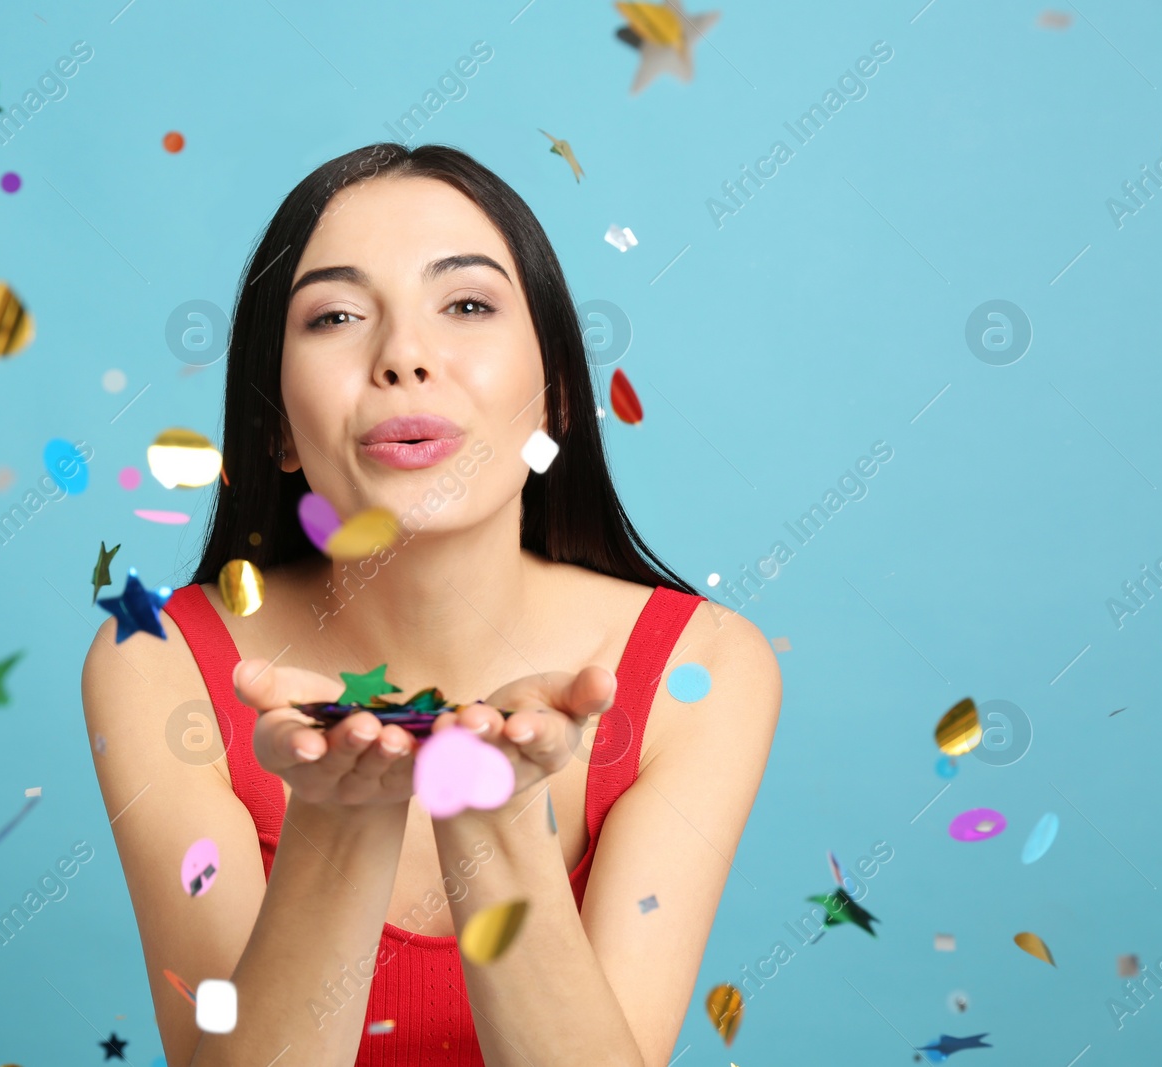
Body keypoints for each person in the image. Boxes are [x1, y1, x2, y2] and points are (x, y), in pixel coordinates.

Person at [82, 142, 782, 1067]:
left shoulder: (702, 668)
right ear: (278, 428)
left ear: (556, 398)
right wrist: (336, 821)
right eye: (334, 315)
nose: (404, 355)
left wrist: (493, 820)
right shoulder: (159, 658)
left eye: (466, 305)